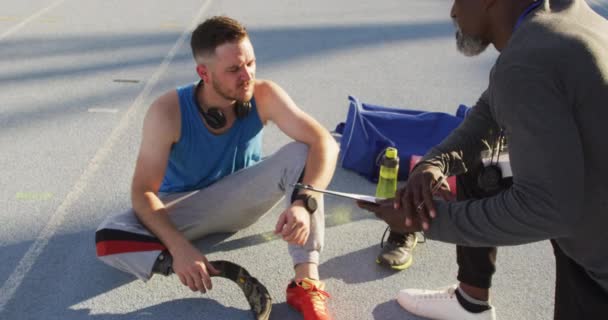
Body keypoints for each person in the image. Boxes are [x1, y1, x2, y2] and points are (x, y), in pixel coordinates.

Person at [358, 0, 608, 319]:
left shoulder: (528, 61)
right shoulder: (568, 16)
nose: (452, 12)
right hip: (594, 224)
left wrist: (425, 222)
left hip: (598, 273)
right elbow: (490, 112)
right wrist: (435, 163)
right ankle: (470, 302)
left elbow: (547, 209)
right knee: (481, 170)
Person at [94, 16, 339, 320]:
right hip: (186, 209)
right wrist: (179, 249)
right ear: (203, 73)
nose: (247, 75)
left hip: (242, 198)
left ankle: (306, 283)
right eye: (234, 69)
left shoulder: (264, 95)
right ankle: (193, 265)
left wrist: (303, 203)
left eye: (250, 63)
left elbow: (325, 143)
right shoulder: (167, 111)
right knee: (108, 234)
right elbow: (143, 191)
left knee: (302, 151)